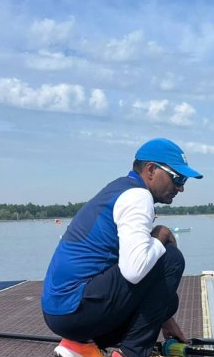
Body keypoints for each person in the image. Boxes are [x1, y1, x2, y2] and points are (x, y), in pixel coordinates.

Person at [41, 138, 203, 357]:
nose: (181, 187)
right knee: (172, 258)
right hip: (74, 309)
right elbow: (135, 270)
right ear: (151, 170)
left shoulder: (120, 189)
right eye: (178, 177)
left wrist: (165, 319)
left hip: (59, 313)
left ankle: (80, 346)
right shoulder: (138, 196)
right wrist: (159, 235)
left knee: (169, 301)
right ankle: (131, 353)